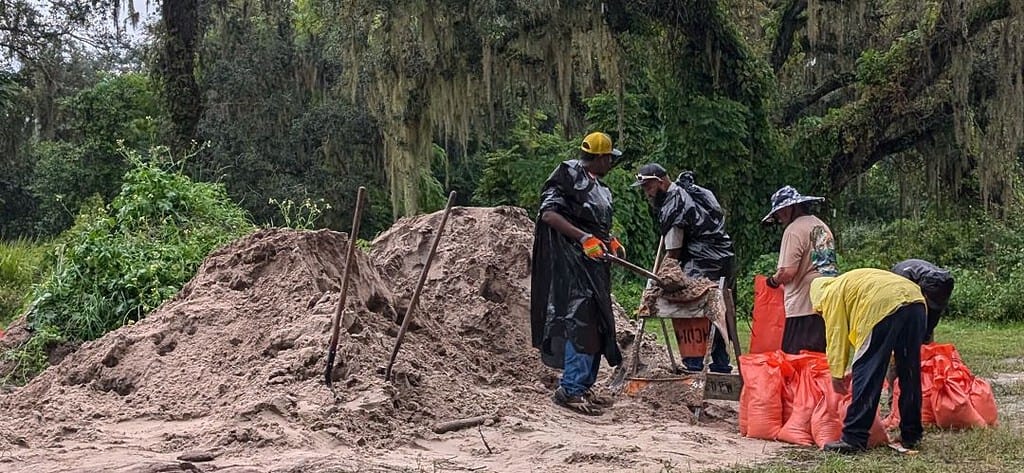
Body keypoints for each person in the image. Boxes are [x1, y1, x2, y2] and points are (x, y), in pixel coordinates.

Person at [530, 131, 625, 415]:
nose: (611, 163)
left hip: (595, 268)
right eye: (609, 158)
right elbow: (548, 214)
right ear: (599, 157)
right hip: (573, 268)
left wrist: (610, 240)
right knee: (580, 325)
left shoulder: (598, 187)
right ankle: (570, 389)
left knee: (596, 326)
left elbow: (595, 223)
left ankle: (582, 386)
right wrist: (583, 239)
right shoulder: (568, 177)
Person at [809, 269, 927, 453]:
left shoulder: (831, 294)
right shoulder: (852, 282)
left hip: (882, 304)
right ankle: (911, 434)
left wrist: (837, 374)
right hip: (916, 301)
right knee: (909, 371)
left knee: (868, 374)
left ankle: (853, 438)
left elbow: (836, 336)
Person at [634, 163, 734, 373]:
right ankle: (721, 363)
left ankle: (694, 364)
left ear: (660, 182)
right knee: (714, 311)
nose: (647, 194)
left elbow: (673, 252)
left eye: (648, 188)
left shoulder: (674, 205)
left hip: (700, 261)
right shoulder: (692, 191)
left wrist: (658, 278)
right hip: (722, 258)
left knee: (689, 308)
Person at [761, 185, 838, 354]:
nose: (780, 218)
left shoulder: (794, 230)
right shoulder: (821, 226)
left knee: (797, 359)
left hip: (803, 305)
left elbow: (787, 271)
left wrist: (772, 281)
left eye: (780, 213)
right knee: (821, 359)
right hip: (828, 300)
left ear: (790, 208)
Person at [891, 259, 954, 343]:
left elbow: (934, 315)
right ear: (923, 293)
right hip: (902, 281)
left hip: (931, 285)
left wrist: (927, 337)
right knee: (905, 317)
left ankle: (926, 344)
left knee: (932, 316)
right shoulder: (903, 279)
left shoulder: (943, 283)